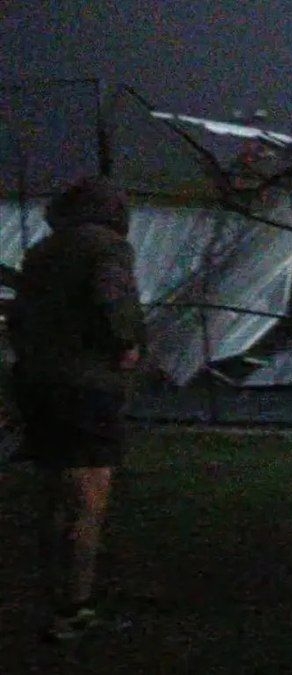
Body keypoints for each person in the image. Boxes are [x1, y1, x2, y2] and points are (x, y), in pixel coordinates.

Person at [8, 176, 146, 641]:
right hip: (86, 389)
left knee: (53, 494)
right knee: (88, 500)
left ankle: (55, 596)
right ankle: (75, 607)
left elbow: (20, 319)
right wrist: (126, 343)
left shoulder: (41, 253)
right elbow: (113, 300)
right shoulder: (106, 248)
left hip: (38, 385)